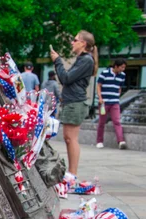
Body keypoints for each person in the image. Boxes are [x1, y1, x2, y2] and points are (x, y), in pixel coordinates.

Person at [50, 30, 98, 178]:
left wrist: (57, 60)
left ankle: (72, 173)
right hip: (72, 102)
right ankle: (71, 173)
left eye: (75, 39)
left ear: (83, 43)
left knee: (71, 138)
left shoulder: (86, 60)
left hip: (76, 102)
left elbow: (66, 78)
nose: (72, 42)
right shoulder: (83, 59)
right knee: (68, 137)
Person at [96, 58, 127, 150]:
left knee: (117, 121)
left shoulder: (122, 75)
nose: (123, 69)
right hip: (104, 103)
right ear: (116, 66)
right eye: (122, 67)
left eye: (124, 67)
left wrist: (117, 95)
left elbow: (120, 87)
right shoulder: (105, 73)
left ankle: (121, 141)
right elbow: (99, 86)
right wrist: (100, 98)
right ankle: (99, 141)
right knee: (101, 122)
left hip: (115, 102)